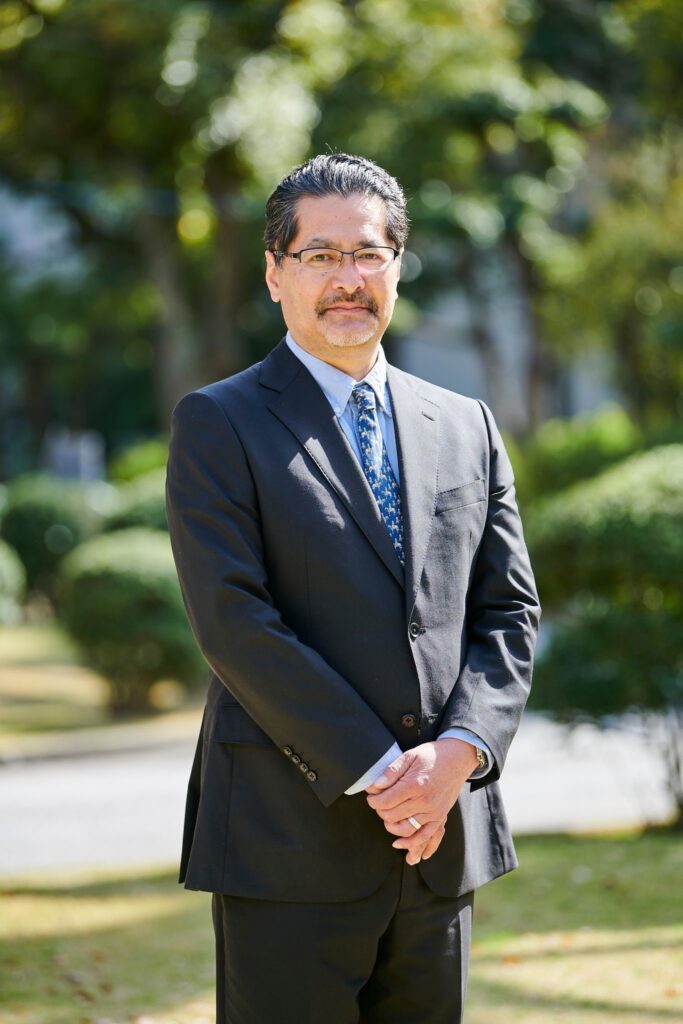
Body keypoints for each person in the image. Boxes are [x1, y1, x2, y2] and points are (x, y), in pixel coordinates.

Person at [165, 152, 540, 1024]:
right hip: (287, 842)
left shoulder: (467, 424)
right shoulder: (219, 422)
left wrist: (457, 757)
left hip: (439, 839)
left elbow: (508, 613)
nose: (348, 279)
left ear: (397, 267)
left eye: (368, 254)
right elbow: (233, 620)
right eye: (320, 255)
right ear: (275, 274)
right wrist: (383, 775)